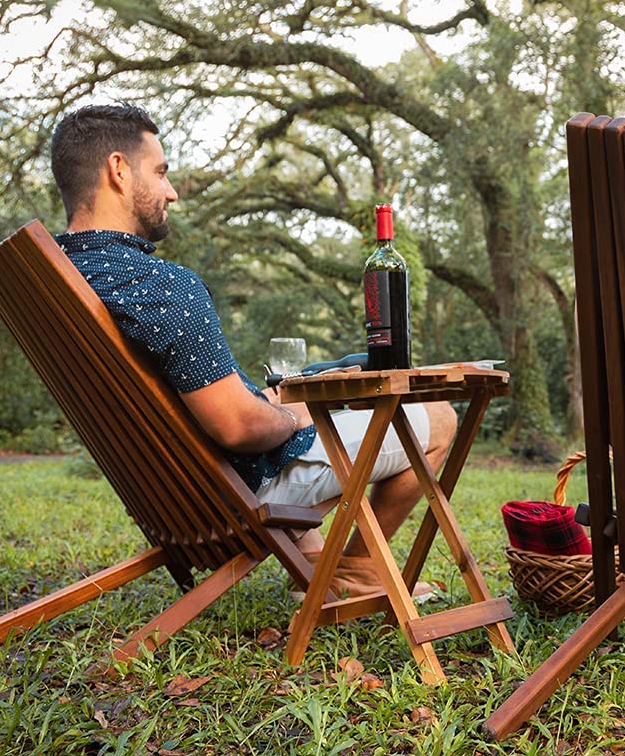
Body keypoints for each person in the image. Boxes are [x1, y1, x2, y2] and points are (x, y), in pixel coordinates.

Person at [49, 103, 458, 599]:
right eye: (161, 172)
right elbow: (239, 428)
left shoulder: (59, 279)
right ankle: (360, 569)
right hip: (243, 492)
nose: (171, 191)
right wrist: (296, 417)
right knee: (438, 416)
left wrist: (271, 404)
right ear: (117, 170)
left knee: (286, 402)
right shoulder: (157, 284)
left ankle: (315, 573)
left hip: (178, 498)